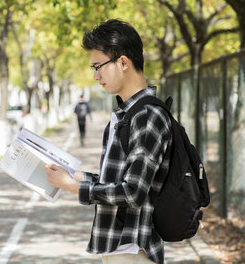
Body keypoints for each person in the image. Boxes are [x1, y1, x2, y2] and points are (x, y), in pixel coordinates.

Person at [45, 19, 172, 264]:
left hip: (133, 249)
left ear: (123, 62)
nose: (95, 76)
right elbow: (121, 182)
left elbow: (132, 193)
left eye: (98, 66)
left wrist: (74, 187)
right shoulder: (127, 114)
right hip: (120, 248)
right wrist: (76, 176)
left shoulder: (147, 116)